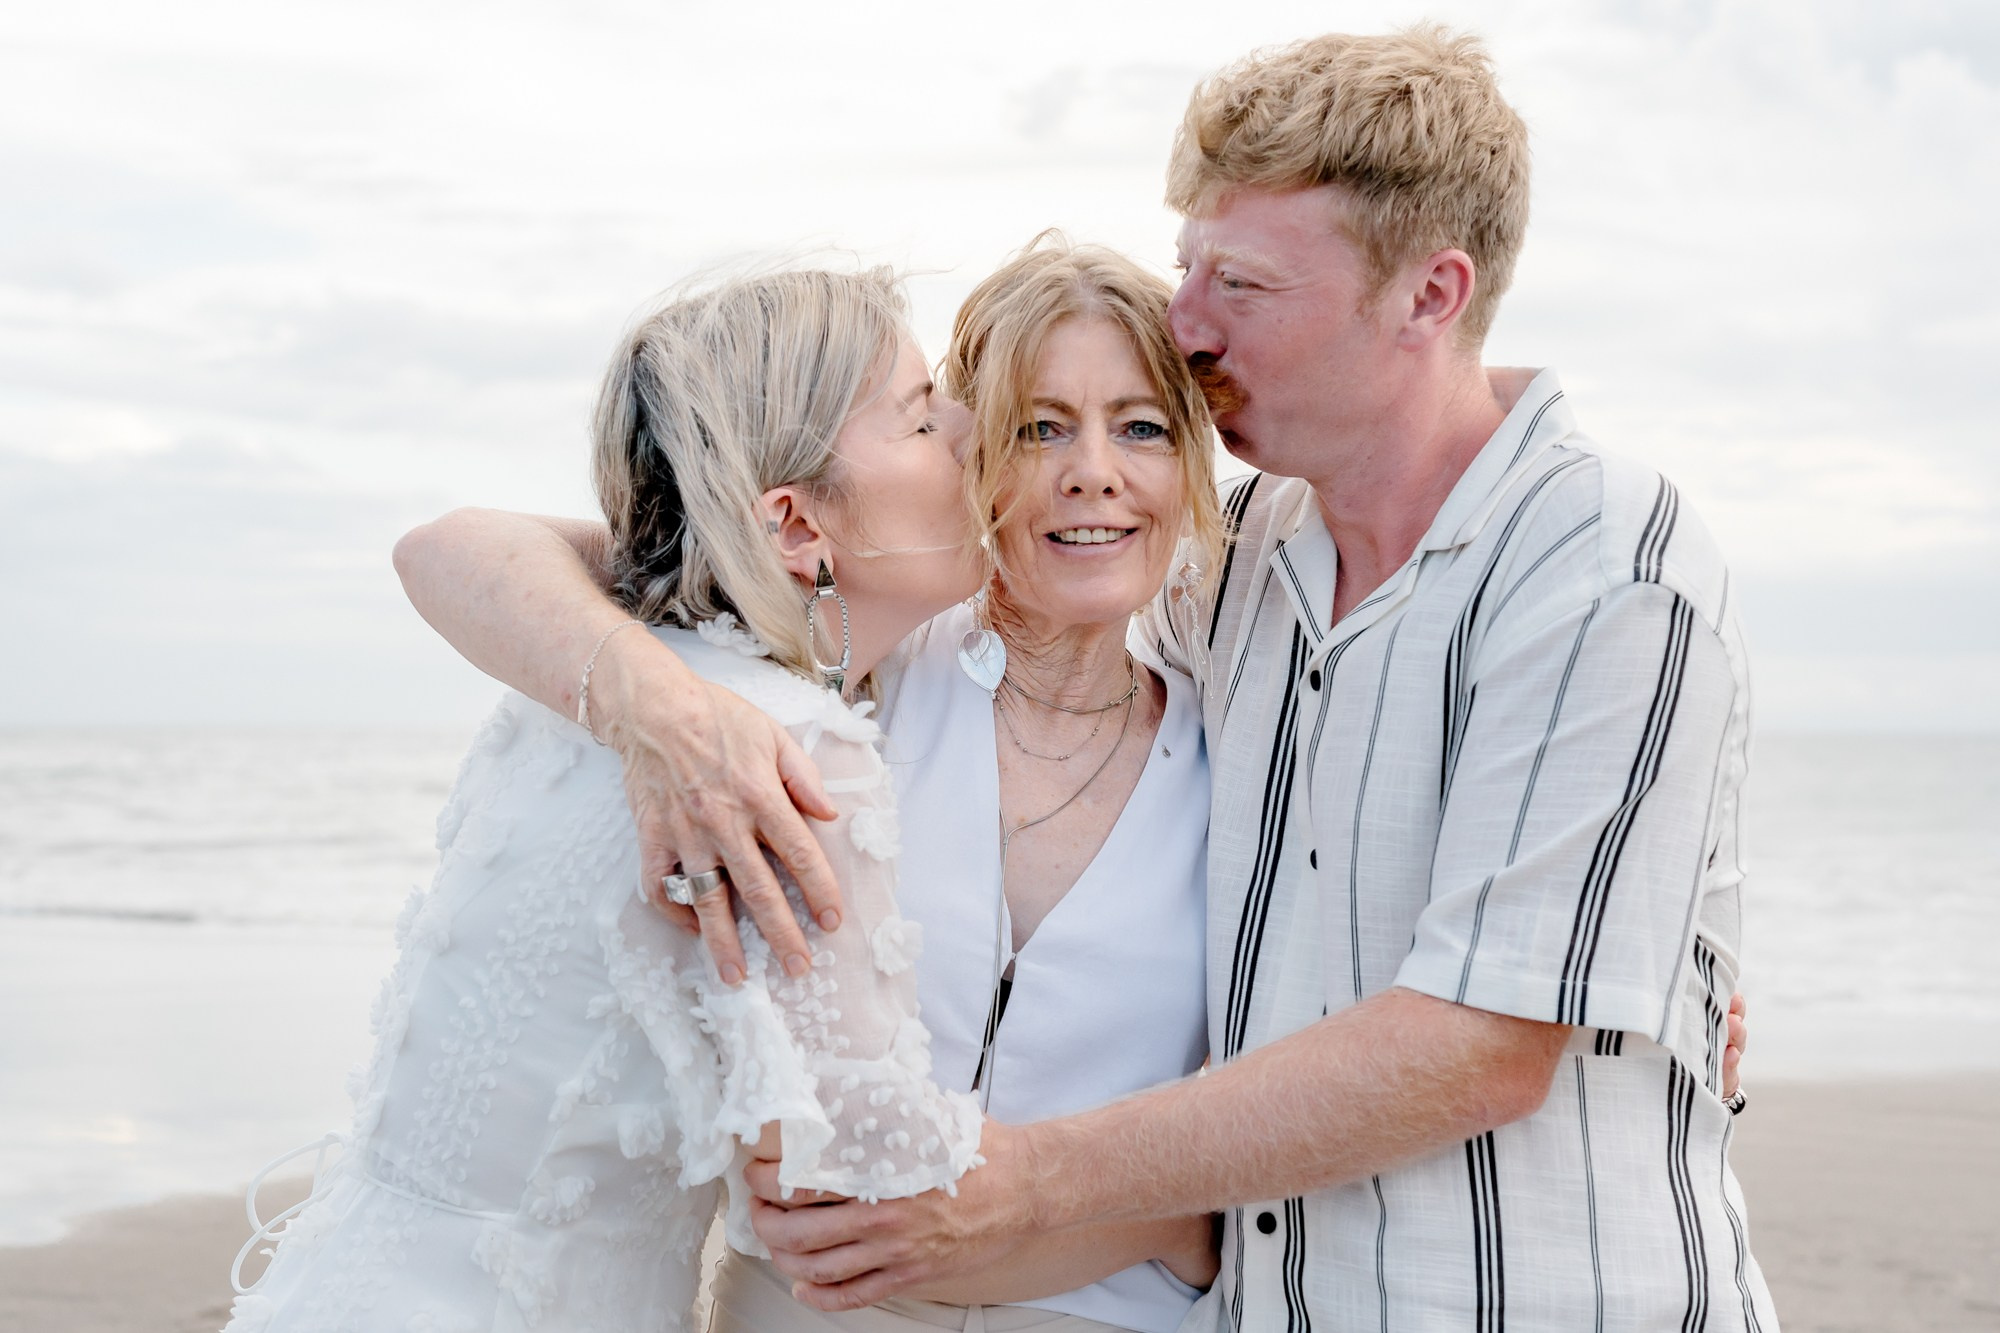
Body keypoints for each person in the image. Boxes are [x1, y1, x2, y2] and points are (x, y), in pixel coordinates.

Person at [399, 24, 1776, 1333]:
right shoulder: (1218, 585)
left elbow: (1485, 1032)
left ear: (1432, 292)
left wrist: (1655, 958)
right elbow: (512, 551)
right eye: (1041, 426)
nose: (1189, 325)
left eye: (1237, 285)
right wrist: (660, 708)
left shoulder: (1574, 571)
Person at [395, 237, 1231, 1332]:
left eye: (1140, 427)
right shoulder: (846, 670)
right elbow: (465, 550)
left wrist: (1174, 1230)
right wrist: (666, 714)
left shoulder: (1240, 744)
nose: (1092, 471)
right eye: (1036, 425)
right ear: (968, 448)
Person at [224, 266, 1038, 1332]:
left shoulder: (583, 674)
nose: (974, 432)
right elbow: (861, 1176)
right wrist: (1177, 1219)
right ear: (796, 527)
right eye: (921, 416)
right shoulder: (787, 753)